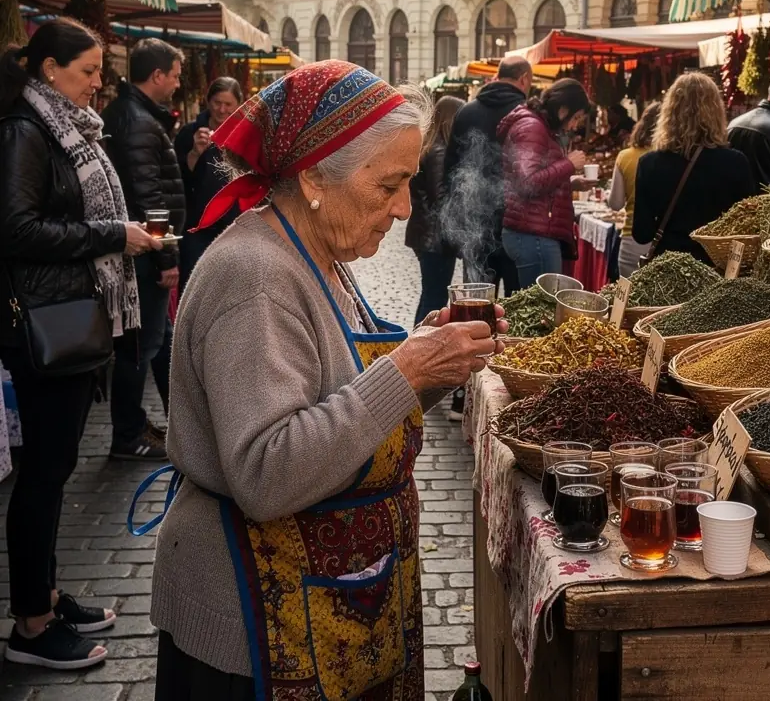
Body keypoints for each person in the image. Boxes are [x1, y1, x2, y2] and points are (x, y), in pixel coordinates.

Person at [145, 61, 505, 700]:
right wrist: (405, 368)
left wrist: (433, 364)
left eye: (410, 183)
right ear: (313, 175)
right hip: (249, 626)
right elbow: (266, 471)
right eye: (388, 185)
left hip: (331, 603)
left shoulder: (321, 251)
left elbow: (342, 398)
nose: (403, 209)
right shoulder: (255, 275)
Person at [0, 19, 162, 670]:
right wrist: (109, 237)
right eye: (89, 71)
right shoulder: (25, 131)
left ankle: (47, 592)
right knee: (42, 475)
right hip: (46, 321)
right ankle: (31, 628)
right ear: (48, 70)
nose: (100, 82)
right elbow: (15, 229)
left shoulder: (61, 129)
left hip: (68, 313)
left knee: (55, 468)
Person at [101, 38, 185, 461]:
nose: (177, 83)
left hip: (144, 250)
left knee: (155, 340)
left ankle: (158, 425)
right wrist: (166, 257)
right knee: (141, 345)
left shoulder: (138, 114)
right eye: (174, 74)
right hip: (145, 252)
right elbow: (148, 194)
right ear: (157, 76)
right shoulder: (138, 120)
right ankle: (127, 435)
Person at [633, 72, 756, 264]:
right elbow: (748, 228)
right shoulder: (736, 163)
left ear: (669, 112)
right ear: (716, 111)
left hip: (666, 271)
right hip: (718, 270)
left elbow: (642, 234)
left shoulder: (649, 163)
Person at [443, 57, 532, 293]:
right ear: (524, 79)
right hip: (518, 227)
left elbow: (450, 171)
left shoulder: (466, 112)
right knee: (517, 307)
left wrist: (458, 225)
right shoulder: (528, 113)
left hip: (476, 228)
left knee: (476, 303)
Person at [498, 77, 591, 287]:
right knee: (542, 310)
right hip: (534, 234)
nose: (574, 125)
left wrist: (570, 182)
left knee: (538, 307)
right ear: (563, 109)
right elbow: (528, 182)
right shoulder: (533, 127)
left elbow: (536, 176)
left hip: (534, 231)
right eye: (575, 118)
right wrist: (568, 164)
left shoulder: (539, 126)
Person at [174, 77, 244, 291]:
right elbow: (179, 177)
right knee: (194, 286)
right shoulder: (190, 133)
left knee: (230, 288)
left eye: (228, 104)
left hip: (233, 225)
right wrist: (195, 152)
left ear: (238, 105)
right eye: (217, 102)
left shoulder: (244, 134)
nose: (221, 109)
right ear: (208, 101)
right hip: (197, 226)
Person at [407, 95, 464, 326]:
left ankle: (419, 339)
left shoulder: (430, 146)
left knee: (431, 294)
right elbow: (440, 198)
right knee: (435, 297)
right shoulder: (440, 151)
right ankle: (421, 343)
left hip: (427, 235)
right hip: (436, 238)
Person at [608, 103, 660, 279]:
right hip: (665, 243)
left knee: (629, 302)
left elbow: (615, 204)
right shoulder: (674, 159)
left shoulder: (625, 156)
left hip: (632, 241)